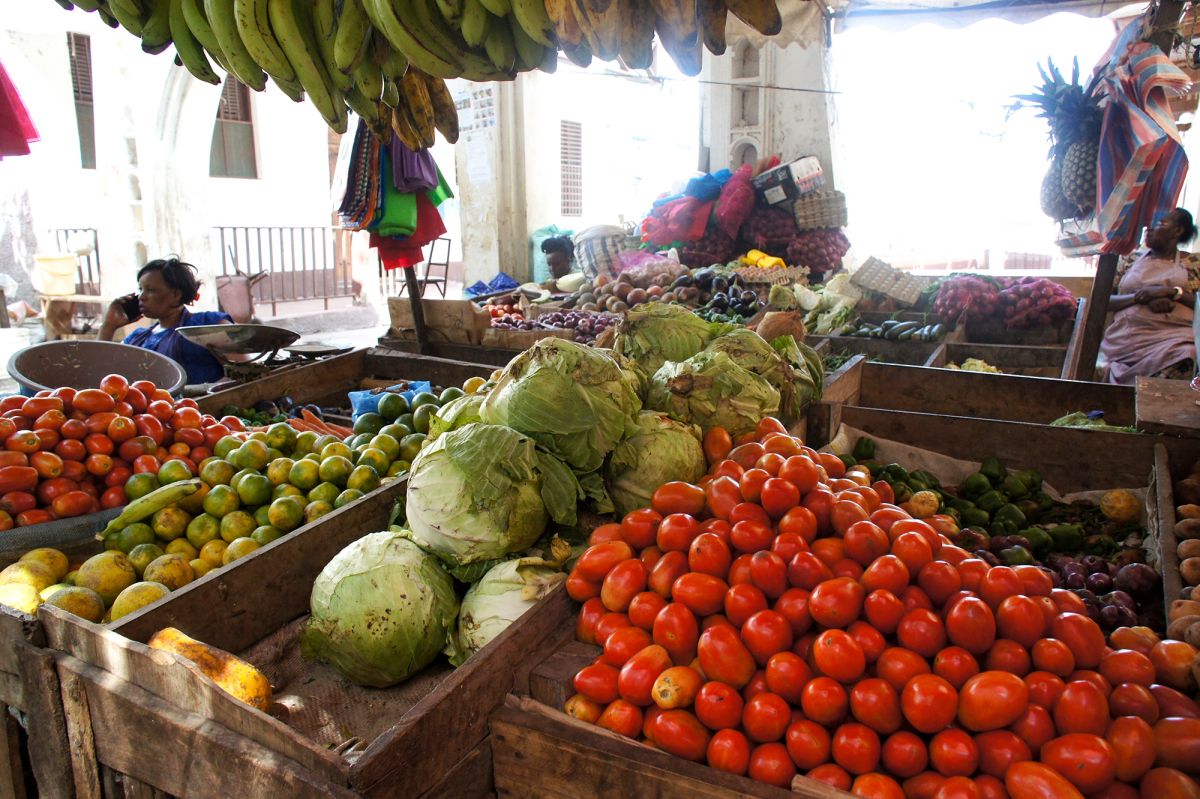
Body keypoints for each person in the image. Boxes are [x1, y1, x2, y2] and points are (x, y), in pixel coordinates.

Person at [1100, 208, 1200, 385]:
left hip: (1176, 335)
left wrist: (1172, 293)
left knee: (1189, 354)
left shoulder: (1192, 264)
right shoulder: (1129, 260)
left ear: (1177, 231)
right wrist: (1140, 297)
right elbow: (1102, 302)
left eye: (1161, 223)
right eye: (1149, 224)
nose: (1150, 229)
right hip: (1129, 337)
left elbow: (1197, 303)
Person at [99, 257, 232, 385]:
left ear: (176, 295)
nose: (141, 297)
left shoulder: (209, 324)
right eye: (141, 289)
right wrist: (109, 325)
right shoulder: (137, 338)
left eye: (150, 290)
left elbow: (245, 373)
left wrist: (202, 393)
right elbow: (102, 373)